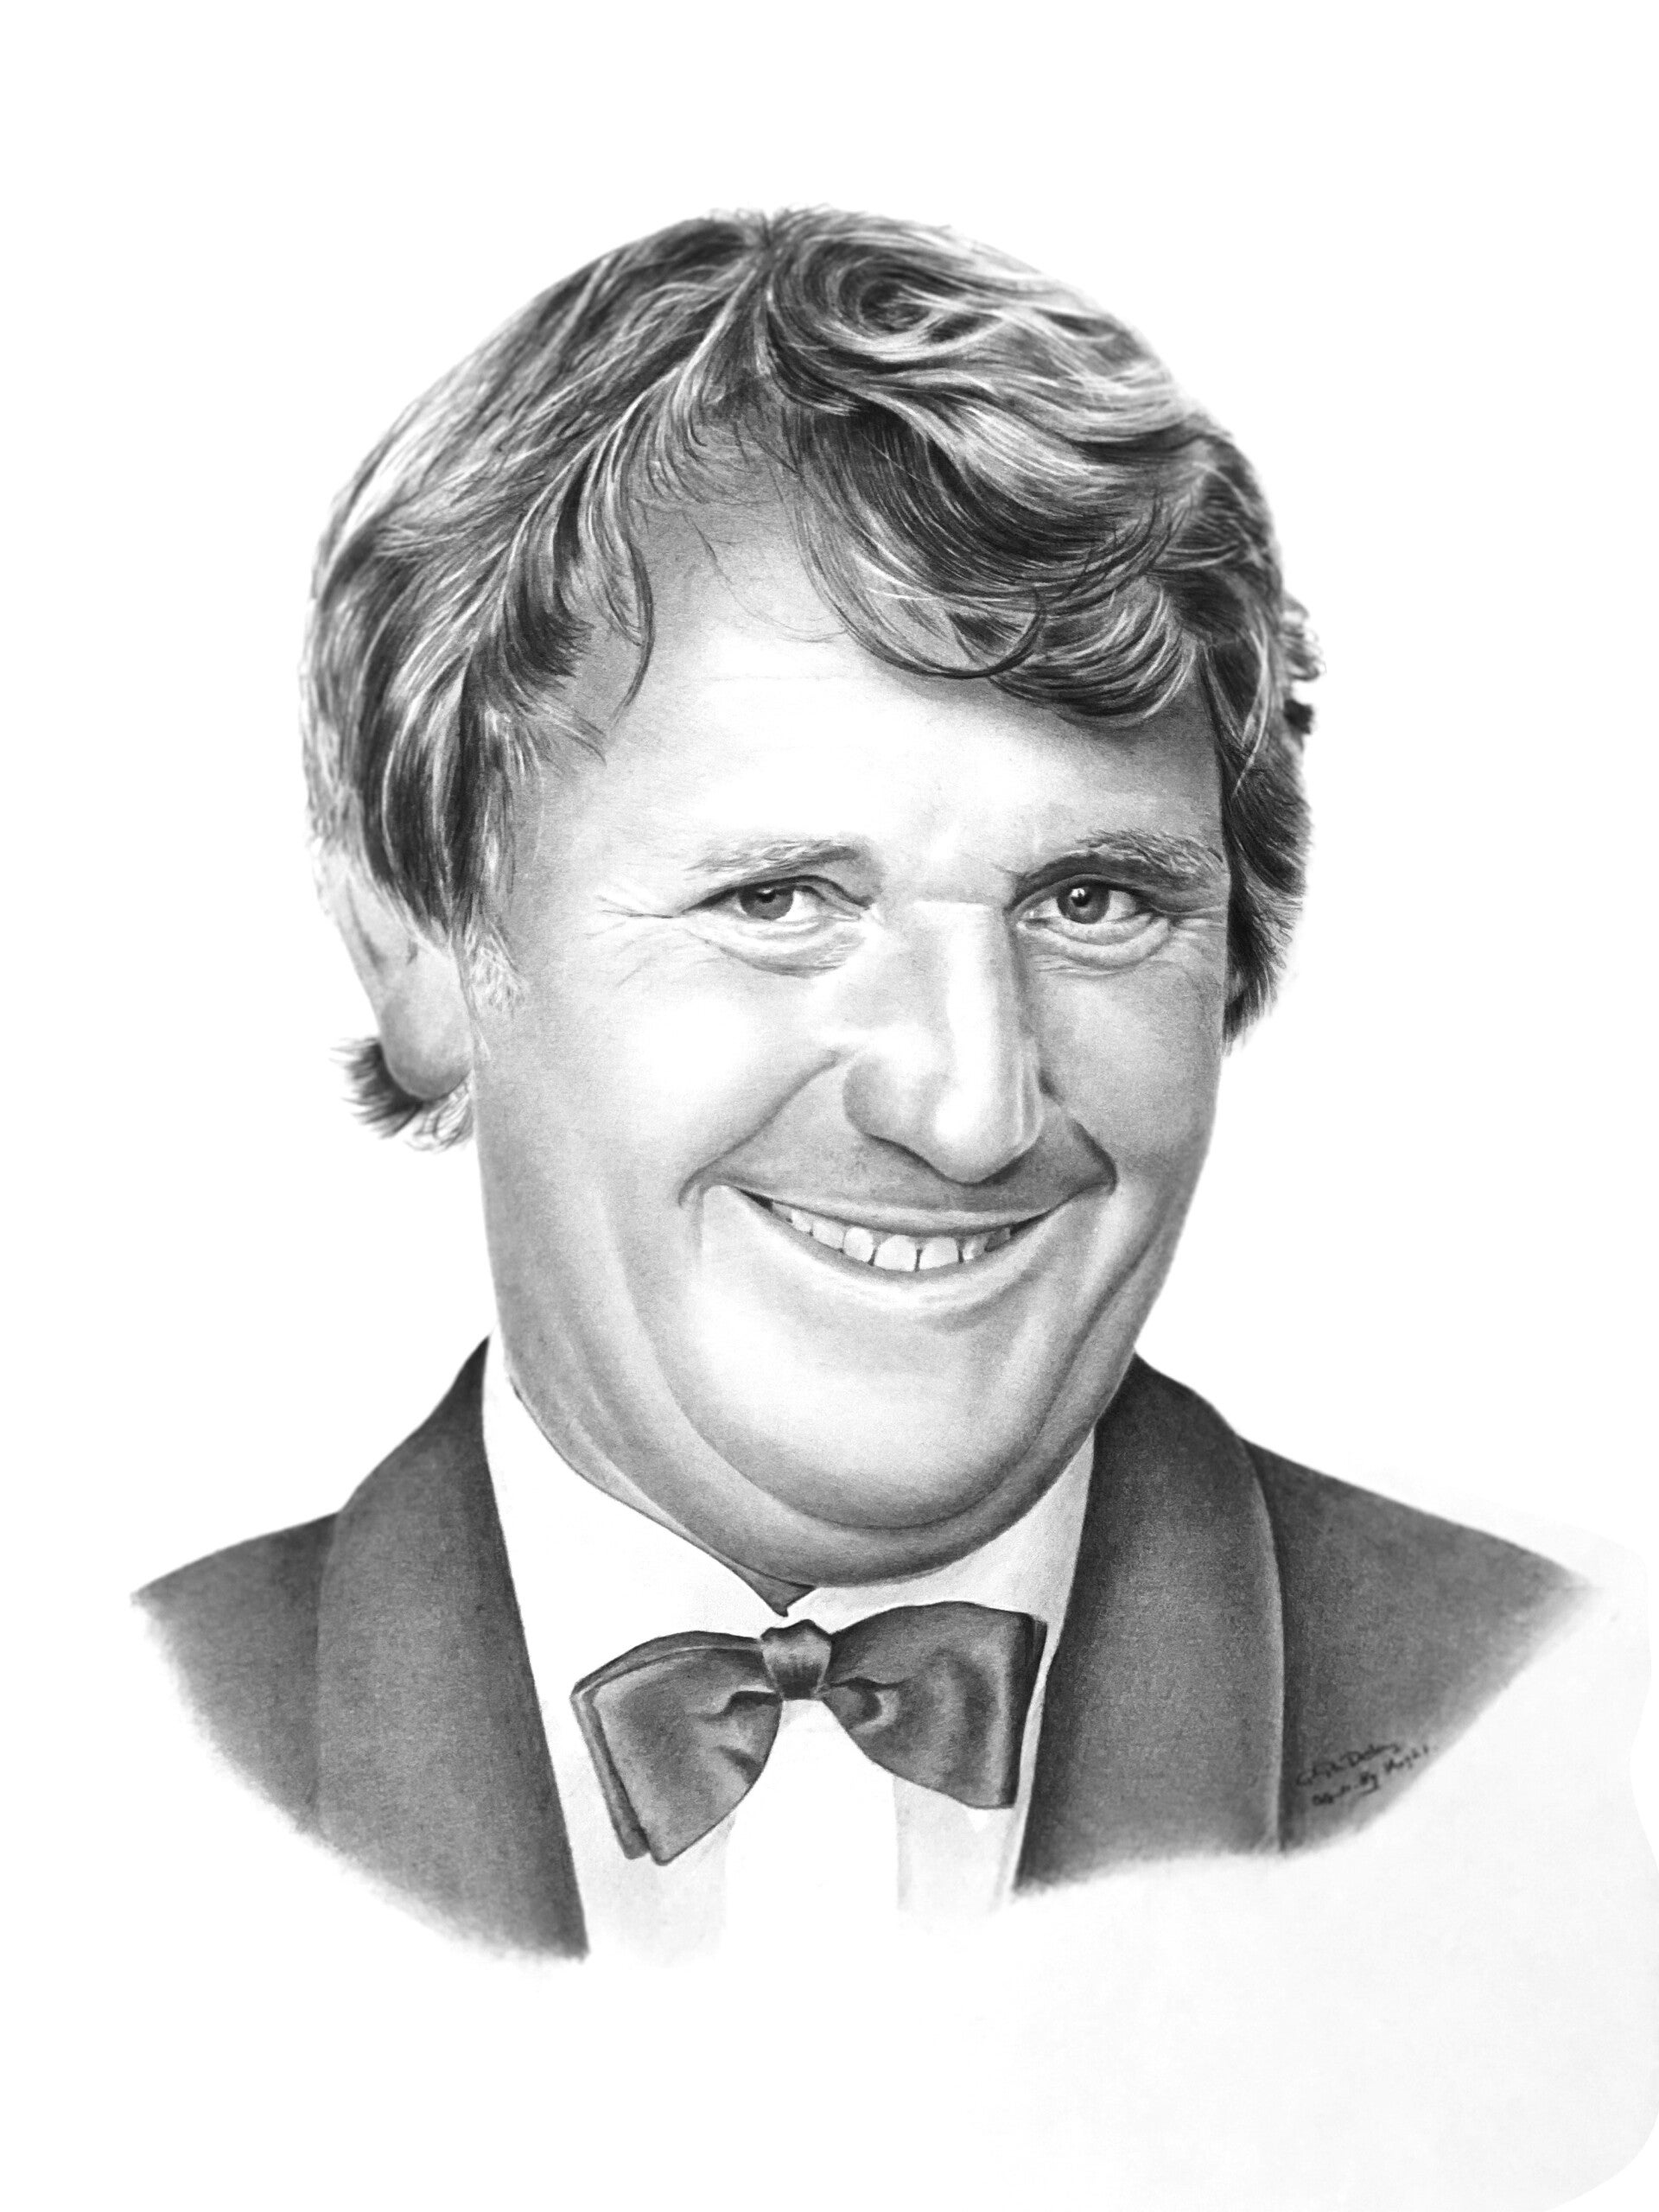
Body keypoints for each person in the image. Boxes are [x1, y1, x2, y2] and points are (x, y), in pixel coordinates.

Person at [137, 208, 1583, 1959]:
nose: (971, 1111)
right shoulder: (102, 1774)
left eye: (1094, 901)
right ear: (422, 948)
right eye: (780, 900)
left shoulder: (1560, 1738)